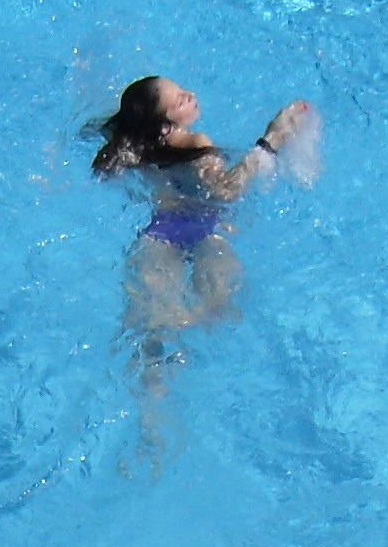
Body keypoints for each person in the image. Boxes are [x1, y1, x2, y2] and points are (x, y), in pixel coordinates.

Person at [89, 76, 315, 447]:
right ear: (165, 123)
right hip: (209, 232)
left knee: (151, 334)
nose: (190, 96)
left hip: (160, 233)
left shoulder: (134, 148)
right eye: (180, 100)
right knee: (219, 309)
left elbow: (102, 171)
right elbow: (227, 191)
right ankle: (183, 336)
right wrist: (269, 142)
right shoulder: (198, 144)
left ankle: (151, 418)